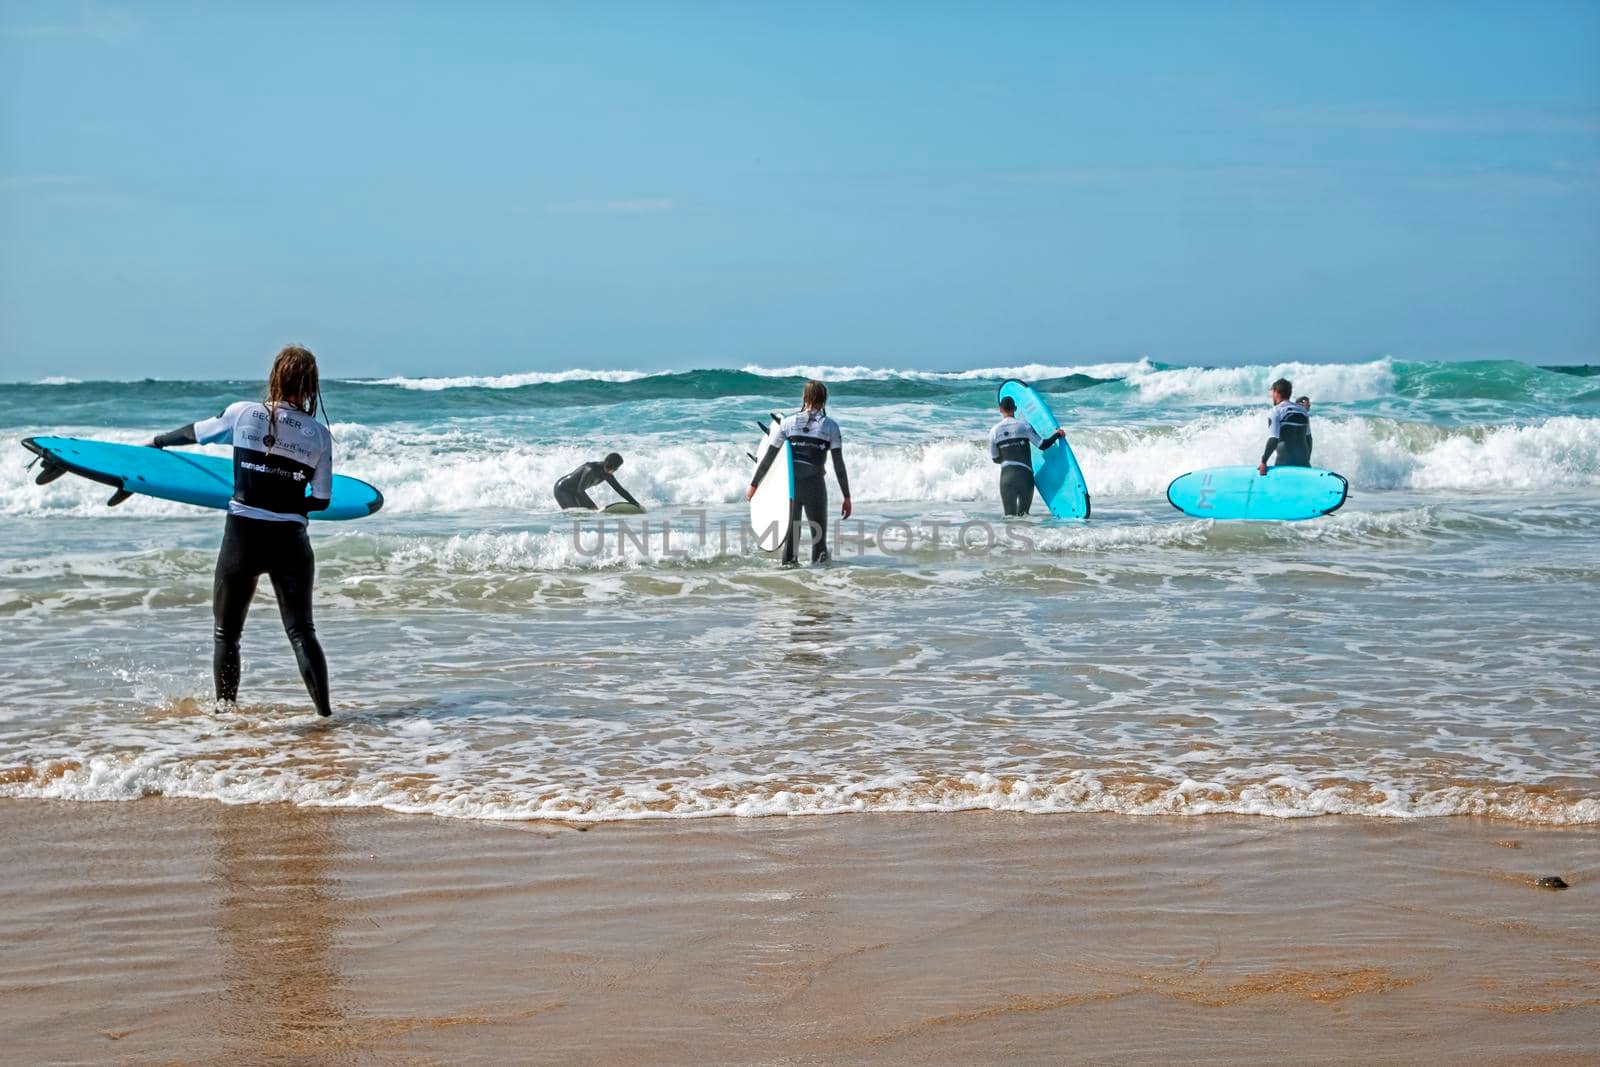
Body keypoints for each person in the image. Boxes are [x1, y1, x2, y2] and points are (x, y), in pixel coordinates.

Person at [150, 345, 334, 716]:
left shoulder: (241, 413)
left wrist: (158, 442)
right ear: (311, 388)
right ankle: (325, 717)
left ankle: (225, 715)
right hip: (290, 543)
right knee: (301, 632)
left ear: (275, 378)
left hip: (241, 540)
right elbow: (322, 499)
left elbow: (196, 433)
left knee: (226, 633)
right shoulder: (319, 435)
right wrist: (288, 502)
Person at [747, 380, 852, 565]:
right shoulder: (831, 427)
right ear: (824, 400)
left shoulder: (787, 424)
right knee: (819, 543)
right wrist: (847, 497)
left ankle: (790, 587)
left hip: (791, 490)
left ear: (805, 398)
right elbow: (838, 464)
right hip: (815, 488)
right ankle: (823, 585)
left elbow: (769, 458)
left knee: (791, 543)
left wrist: (754, 485)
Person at [989, 395, 1066, 516]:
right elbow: (1042, 445)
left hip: (1006, 478)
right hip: (1025, 476)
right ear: (1015, 408)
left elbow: (995, 459)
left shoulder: (994, 431)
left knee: (1009, 516)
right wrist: (1057, 434)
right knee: (1024, 516)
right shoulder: (1024, 426)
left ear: (1000, 409)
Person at [1258, 378, 1312, 475]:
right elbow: (1309, 439)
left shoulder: (1276, 411)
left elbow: (1273, 439)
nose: (1272, 396)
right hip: (1304, 464)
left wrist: (1263, 461)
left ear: (1276, 392)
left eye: (1272, 392)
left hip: (1284, 464)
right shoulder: (1303, 411)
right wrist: (1307, 461)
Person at [553, 453, 639, 510]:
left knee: (583, 516)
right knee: (575, 515)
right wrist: (593, 506)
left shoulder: (607, 474)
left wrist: (635, 503)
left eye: (612, 469)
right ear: (605, 462)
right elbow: (580, 490)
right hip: (563, 489)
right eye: (608, 467)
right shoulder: (590, 470)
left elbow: (620, 489)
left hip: (576, 491)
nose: (608, 470)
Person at [1296, 396, 1314, 463]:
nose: (1309, 405)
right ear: (1301, 404)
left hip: (1306, 439)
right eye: (1308, 403)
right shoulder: (1299, 414)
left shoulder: (1305, 414)